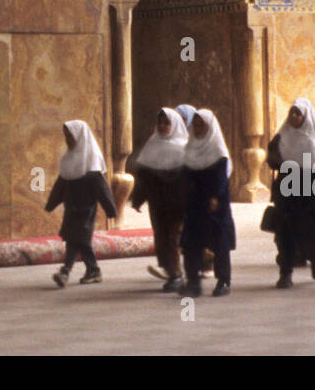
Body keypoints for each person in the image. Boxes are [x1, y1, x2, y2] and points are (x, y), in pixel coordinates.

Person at [267, 98, 315, 288]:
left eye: (298, 113)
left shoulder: (314, 134)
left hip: (309, 189)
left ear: (306, 115)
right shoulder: (282, 134)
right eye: (292, 112)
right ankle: (285, 273)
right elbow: (272, 159)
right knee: (284, 232)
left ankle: (314, 256)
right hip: (286, 188)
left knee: (308, 230)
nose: (294, 116)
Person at [45, 120, 117, 287]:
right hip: (71, 210)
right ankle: (93, 270)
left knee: (77, 239)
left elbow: (103, 190)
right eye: (66, 136)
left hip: (86, 211)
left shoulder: (92, 166)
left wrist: (110, 209)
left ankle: (65, 271)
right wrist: (51, 204)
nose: (68, 140)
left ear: (80, 138)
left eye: (71, 136)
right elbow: (60, 186)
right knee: (79, 241)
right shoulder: (68, 161)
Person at [179, 109, 236, 297]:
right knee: (191, 242)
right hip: (195, 201)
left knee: (219, 242)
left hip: (214, 202)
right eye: (195, 125)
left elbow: (221, 177)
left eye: (201, 125)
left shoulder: (218, 150)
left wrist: (215, 197)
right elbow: (186, 175)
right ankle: (193, 282)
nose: (198, 129)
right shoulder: (190, 147)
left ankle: (223, 281)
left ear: (210, 126)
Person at [131, 107, 189, 291]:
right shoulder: (152, 145)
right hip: (157, 202)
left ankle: (176, 275)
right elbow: (144, 176)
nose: (163, 126)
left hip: (177, 202)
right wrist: (138, 198)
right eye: (160, 122)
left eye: (167, 122)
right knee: (161, 238)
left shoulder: (184, 148)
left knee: (173, 237)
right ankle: (170, 270)